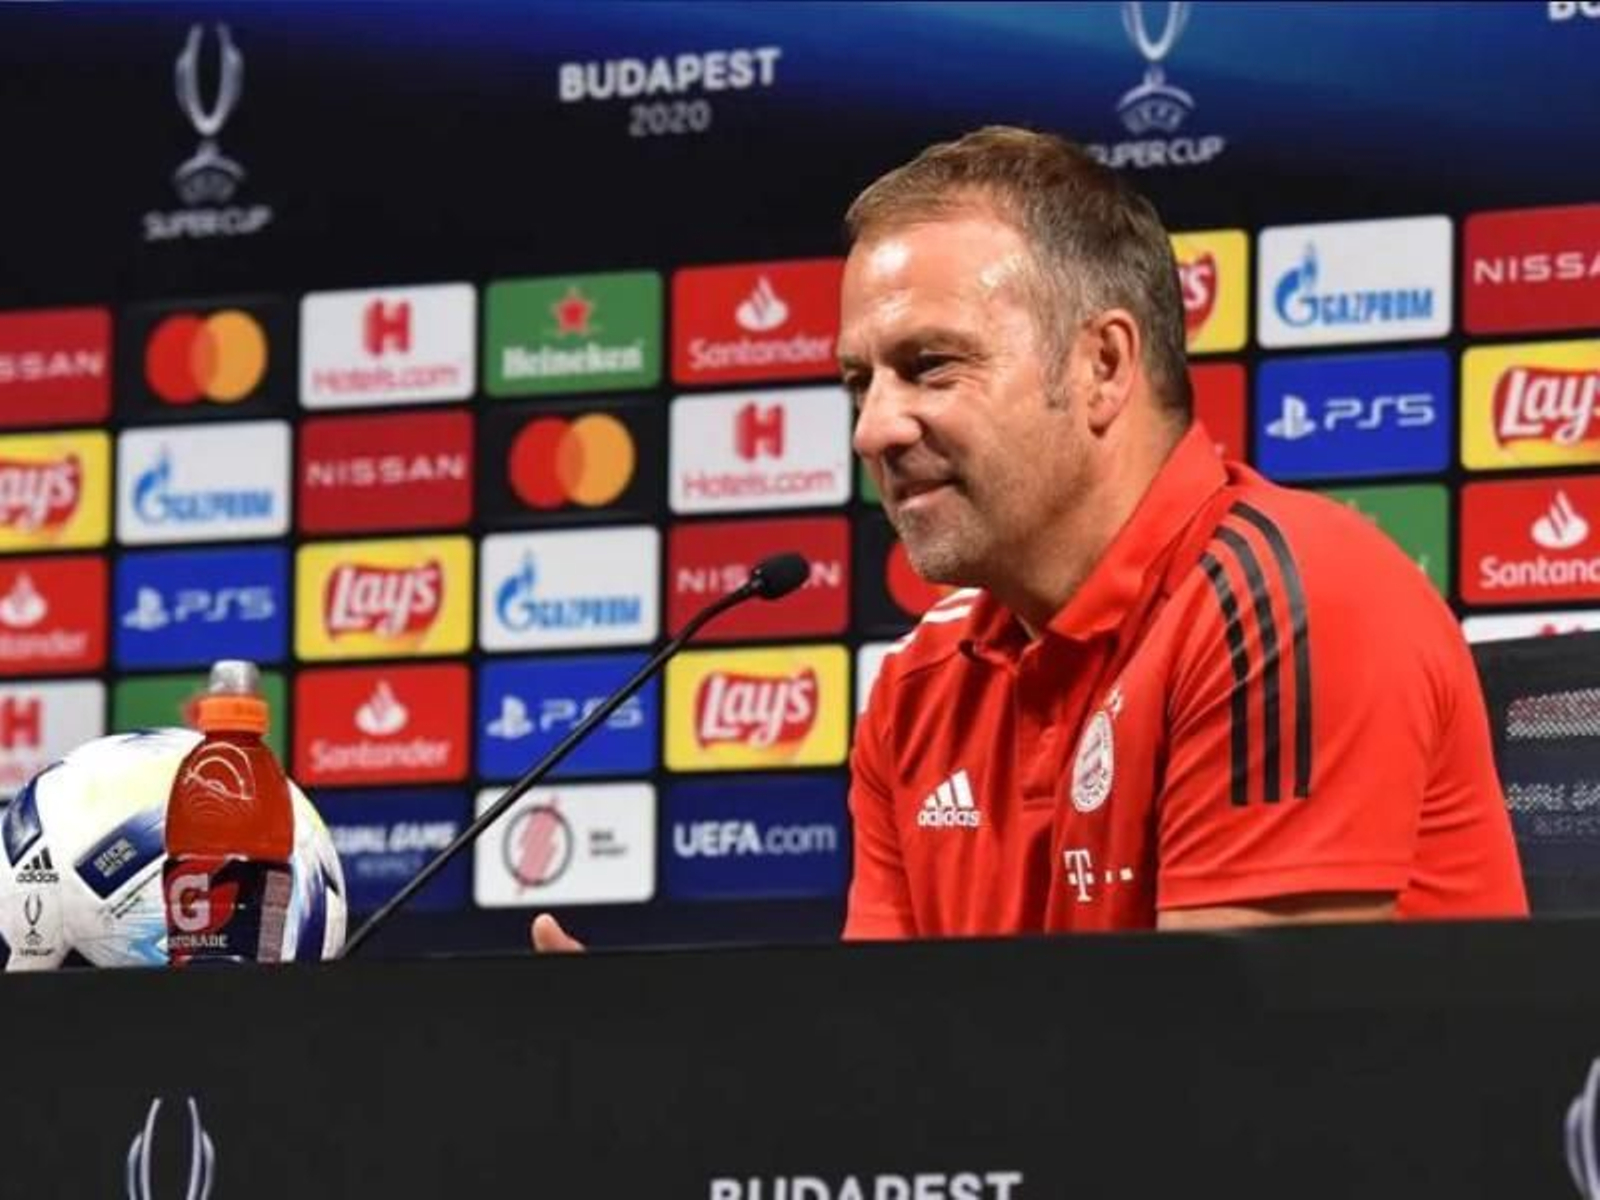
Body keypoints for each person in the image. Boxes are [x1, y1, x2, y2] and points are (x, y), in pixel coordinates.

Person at [533, 125, 1527, 952]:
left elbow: (1240, 1091)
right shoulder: (919, 688)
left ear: (1100, 364)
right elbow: (884, 1083)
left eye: (928, 366)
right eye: (856, 381)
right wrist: (655, 1079)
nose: (872, 429)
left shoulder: (1288, 601)